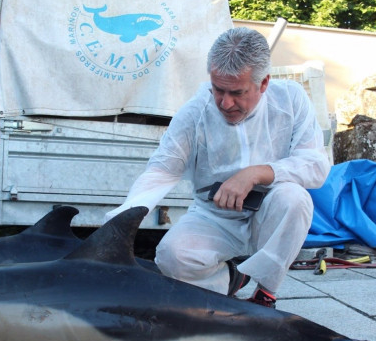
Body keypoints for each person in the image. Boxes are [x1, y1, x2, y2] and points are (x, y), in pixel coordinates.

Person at [104, 27, 330, 307]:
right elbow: (162, 170)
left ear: (263, 83)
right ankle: (231, 281)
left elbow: (316, 165)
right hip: (215, 216)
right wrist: (119, 222)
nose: (225, 102)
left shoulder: (291, 100)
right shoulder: (195, 111)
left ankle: (265, 292)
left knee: (295, 199)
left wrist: (255, 173)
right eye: (218, 89)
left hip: (270, 209)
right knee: (172, 257)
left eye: (237, 92)